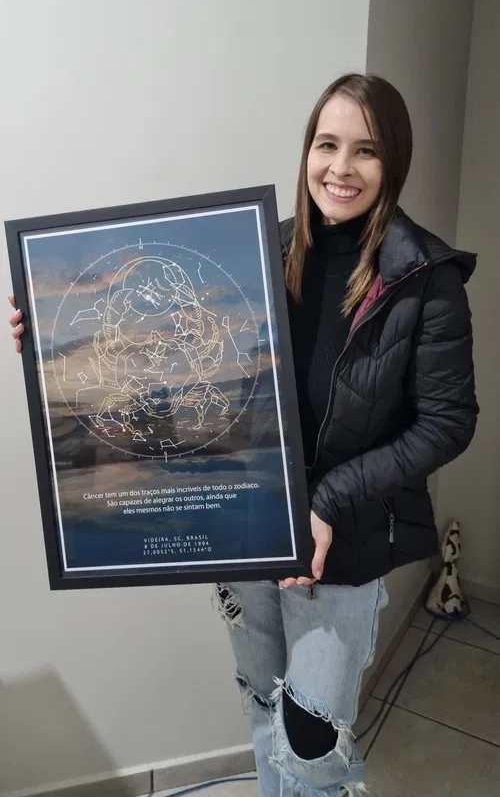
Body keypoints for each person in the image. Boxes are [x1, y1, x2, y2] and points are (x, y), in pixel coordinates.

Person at [8, 74, 478, 797]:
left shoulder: (426, 278)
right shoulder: (259, 253)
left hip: (345, 544)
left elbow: (449, 421)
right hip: (250, 531)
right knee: (265, 705)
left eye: (367, 151)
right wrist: (52, 341)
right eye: (327, 144)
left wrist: (329, 500)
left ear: (395, 165)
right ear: (307, 152)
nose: (340, 168)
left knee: (314, 738)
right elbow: (164, 360)